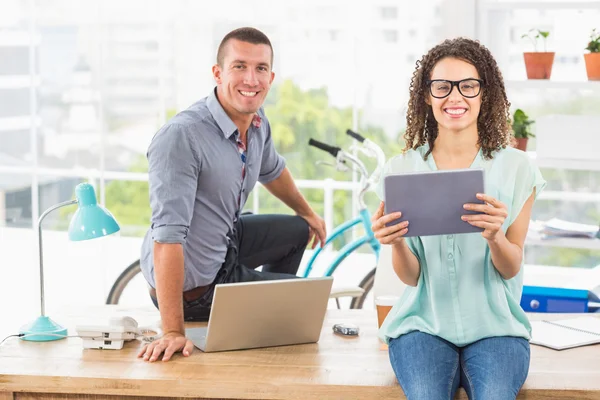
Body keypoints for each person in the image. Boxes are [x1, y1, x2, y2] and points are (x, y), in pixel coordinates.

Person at [137, 27, 327, 363]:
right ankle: (253, 313)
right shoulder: (182, 137)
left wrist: (309, 213)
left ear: (271, 76)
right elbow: (167, 239)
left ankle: (256, 310)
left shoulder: (256, 121)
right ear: (218, 72)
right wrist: (172, 332)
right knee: (299, 304)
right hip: (195, 288)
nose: (251, 79)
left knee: (299, 230)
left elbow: (273, 169)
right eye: (239, 66)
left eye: (260, 68)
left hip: (225, 240)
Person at [371, 38, 546, 399]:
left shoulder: (517, 168)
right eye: (442, 87)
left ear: (485, 94)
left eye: (468, 86)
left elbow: (511, 267)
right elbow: (411, 276)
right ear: (426, 95)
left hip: (497, 328)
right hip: (423, 326)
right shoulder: (402, 169)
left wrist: (496, 237)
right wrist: (396, 241)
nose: (455, 98)